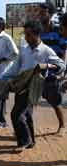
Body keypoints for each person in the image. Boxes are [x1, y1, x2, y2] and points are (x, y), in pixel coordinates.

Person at [5, 20, 65, 151]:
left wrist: (47, 65)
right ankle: (30, 141)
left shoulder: (46, 51)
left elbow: (61, 65)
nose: (26, 38)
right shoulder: (24, 50)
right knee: (26, 114)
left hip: (34, 87)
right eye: (25, 34)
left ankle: (23, 141)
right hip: (21, 85)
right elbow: (16, 67)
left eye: (29, 35)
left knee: (16, 114)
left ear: (37, 34)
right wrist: (3, 77)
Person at [38, 3, 66, 134]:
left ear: (50, 13)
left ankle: (62, 125)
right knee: (32, 97)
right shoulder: (38, 31)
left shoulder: (57, 30)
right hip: (40, 69)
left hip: (54, 69)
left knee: (54, 99)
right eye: (40, 12)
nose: (41, 14)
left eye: (43, 12)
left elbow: (64, 50)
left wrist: (62, 69)